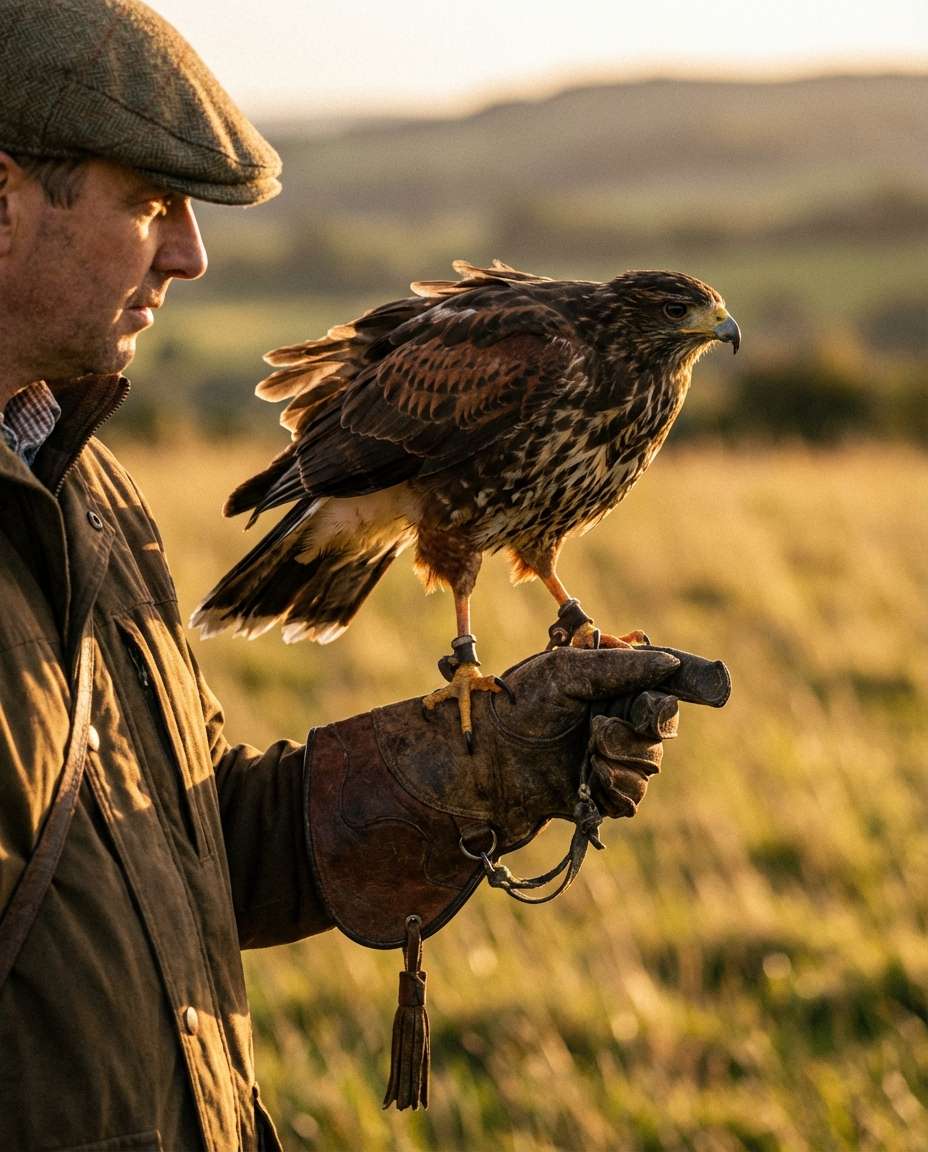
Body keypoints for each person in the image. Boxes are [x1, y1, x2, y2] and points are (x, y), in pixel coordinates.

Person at [0, 2, 689, 1149]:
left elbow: (179, 842)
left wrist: (469, 772)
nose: (191, 255)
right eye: (150, 205)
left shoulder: (81, 486)